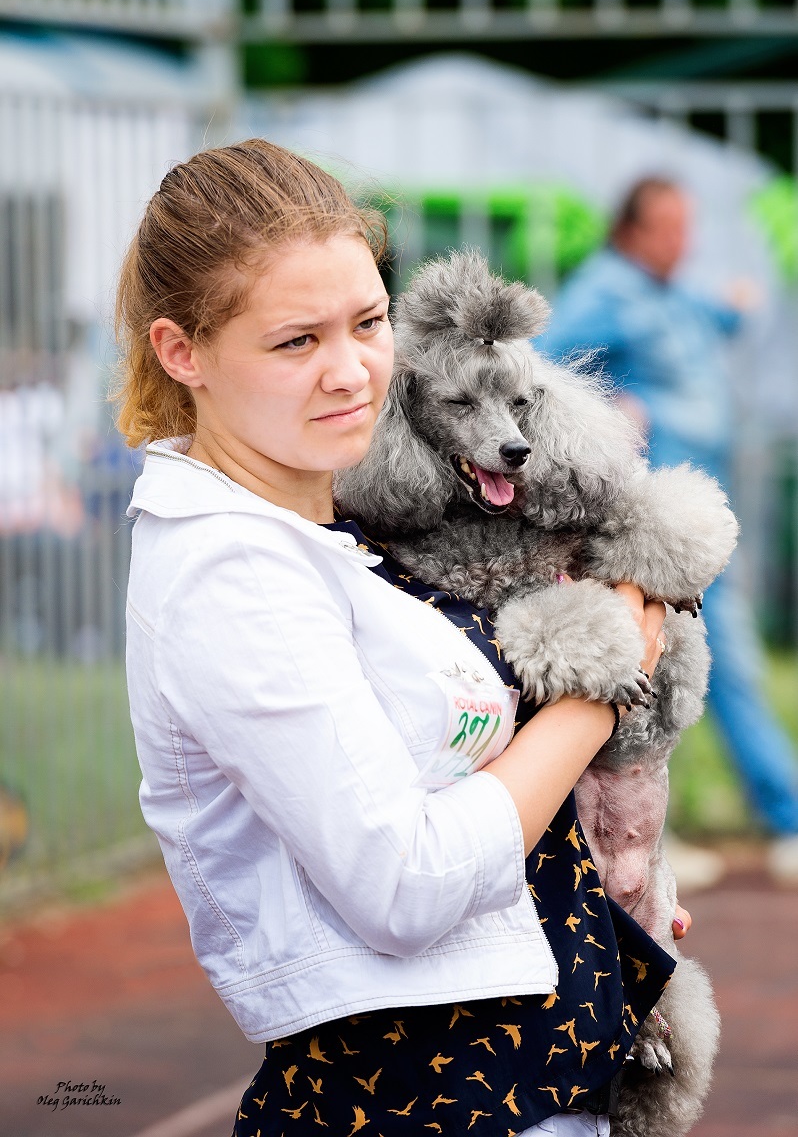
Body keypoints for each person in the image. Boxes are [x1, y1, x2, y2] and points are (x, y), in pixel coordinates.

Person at [117, 141, 689, 1136]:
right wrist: (604, 686)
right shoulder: (230, 574)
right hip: (434, 1101)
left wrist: (590, 879)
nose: (353, 372)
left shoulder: (327, 522)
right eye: (297, 341)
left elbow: (462, 773)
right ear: (182, 352)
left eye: (370, 322)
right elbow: (407, 882)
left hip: (531, 1074)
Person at [540, 176, 798, 888]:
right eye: (669, 228)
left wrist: (737, 307)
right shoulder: (605, 288)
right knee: (672, 672)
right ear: (631, 228)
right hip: (647, 527)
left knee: (691, 670)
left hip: (700, 518)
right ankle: (696, 835)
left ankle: (682, 833)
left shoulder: (666, 289)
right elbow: (545, 369)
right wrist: (612, 409)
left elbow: (707, 318)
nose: (682, 242)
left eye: (688, 227)